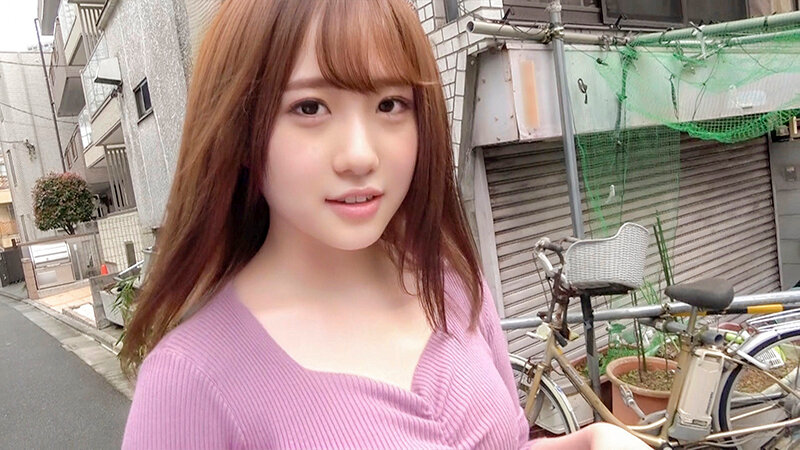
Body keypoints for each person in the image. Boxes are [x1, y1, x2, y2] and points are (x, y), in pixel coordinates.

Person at [120, 0, 649, 448]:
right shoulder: (189, 381)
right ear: (238, 129)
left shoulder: (453, 284)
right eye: (309, 107)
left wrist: (590, 442)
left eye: (390, 104)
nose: (360, 155)